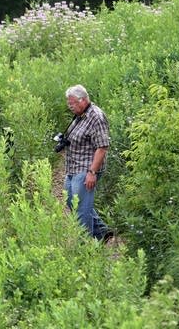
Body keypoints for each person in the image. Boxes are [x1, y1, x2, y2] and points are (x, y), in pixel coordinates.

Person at [59, 84, 112, 241]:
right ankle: (102, 232)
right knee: (70, 199)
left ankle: (86, 245)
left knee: (81, 209)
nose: (70, 107)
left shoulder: (96, 117)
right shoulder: (81, 115)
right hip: (73, 167)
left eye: (72, 103)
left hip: (87, 168)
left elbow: (102, 147)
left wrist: (92, 172)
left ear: (82, 100)